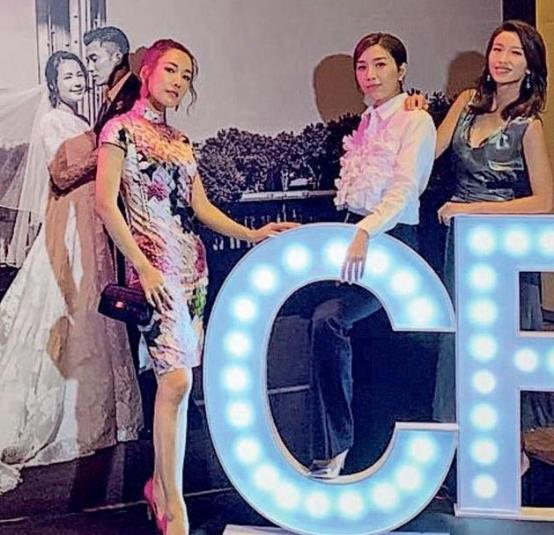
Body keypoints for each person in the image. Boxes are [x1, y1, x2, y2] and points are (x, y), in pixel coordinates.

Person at [95, 39, 296, 535]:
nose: (179, 81)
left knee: (179, 385)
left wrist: (252, 234)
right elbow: (105, 204)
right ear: (146, 71)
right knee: (177, 380)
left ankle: (161, 489)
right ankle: (174, 505)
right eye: (171, 70)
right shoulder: (119, 130)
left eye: (186, 75)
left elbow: (199, 207)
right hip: (154, 269)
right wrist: (142, 267)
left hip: (192, 268)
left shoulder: (182, 141)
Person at [406, 20, 554, 471]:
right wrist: (413, 116)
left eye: (514, 52)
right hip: (462, 248)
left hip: (505, 250)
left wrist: (475, 210)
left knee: (501, 352)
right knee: (464, 348)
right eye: (497, 49)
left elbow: (544, 202)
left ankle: (512, 456)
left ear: (530, 65)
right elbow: (425, 155)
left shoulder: (529, 125)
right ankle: (472, 454)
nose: (502, 59)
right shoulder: (467, 103)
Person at [0, 51, 142, 494]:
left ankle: (108, 419)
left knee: (97, 314)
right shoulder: (52, 123)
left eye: (80, 74)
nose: (77, 81)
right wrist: (106, 148)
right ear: (53, 85)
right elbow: (61, 175)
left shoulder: (83, 122)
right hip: (69, 227)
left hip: (92, 226)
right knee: (73, 311)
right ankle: (70, 423)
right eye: (67, 76)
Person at [309, 33, 436, 479]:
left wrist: (365, 230)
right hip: (356, 238)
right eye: (362, 67)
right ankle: (340, 447)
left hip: (391, 241)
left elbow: (405, 191)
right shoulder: (367, 121)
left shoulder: (415, 120)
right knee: (325, 322)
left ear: (401, 70)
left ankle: (337, 446)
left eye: (380, 64)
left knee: (330, 319)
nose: (370, 75)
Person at [83, 26, 141, 135]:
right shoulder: (110, 95)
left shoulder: (137, 96)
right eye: (88, 61)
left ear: (117, 57)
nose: (89, 68)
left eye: (94, 59)